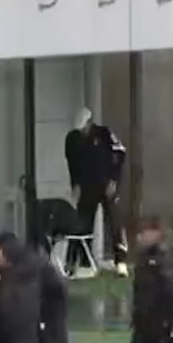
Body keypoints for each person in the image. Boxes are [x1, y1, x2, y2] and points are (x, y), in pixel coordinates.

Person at [63, 107, 128, 273]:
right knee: (82, 223)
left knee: (114, 221)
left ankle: (120, 259)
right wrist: (75, 185)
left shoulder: (104, 134)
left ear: (90, 124)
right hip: (86, 186)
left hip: (106, 183)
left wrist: (114, 179)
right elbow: (72, 165)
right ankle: (78, 261)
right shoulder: (72, 140)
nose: (83, 132)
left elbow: (120, 153)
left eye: (85, 128)